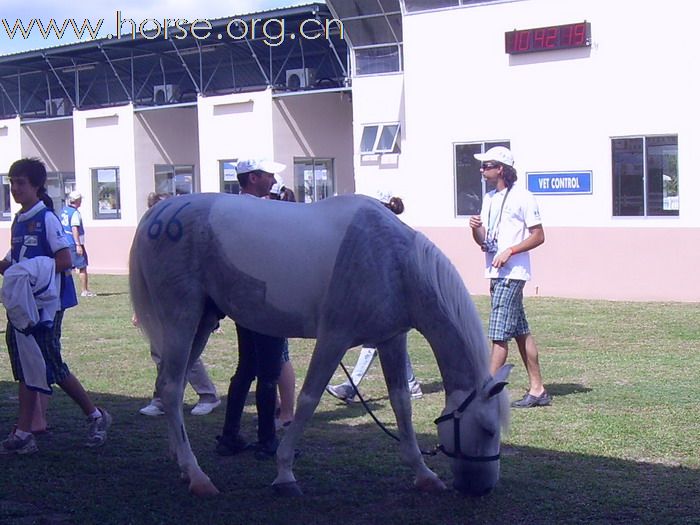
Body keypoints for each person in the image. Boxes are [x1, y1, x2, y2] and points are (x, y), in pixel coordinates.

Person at [0, 158, 111, 455]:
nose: (15, 188)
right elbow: (12, 260)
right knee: (25, 367)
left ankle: (96, 416)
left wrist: (32, 270)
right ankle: (24, 432)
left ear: (36, 185)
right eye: (12, 182)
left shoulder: (47, 218)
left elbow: (65, 260)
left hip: (44, 308)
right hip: (21, 307)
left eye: (21, 182)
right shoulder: (19, 220)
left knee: (51, 365)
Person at [215, 159, 288, 459]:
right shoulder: (261, 212)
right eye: (268, 174)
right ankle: (266, 440)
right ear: (254, 178)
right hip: (266, 300)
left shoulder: (236, 211)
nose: (273, 179)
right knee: (268, 373)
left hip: (243, 300)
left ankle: (230, 435)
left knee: (246, 369)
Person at [468, 146, 550, 408]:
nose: (482, 170)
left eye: (487, 166)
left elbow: (539, 235)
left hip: (512, 274)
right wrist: (475, 231)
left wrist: (510, 251)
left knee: (499, 334)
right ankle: (538, 390)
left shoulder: (524, 197)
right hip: (495, 272)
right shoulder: (490, 198)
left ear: (500, 168)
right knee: (520, 332)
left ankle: (484, 392)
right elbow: (484, 243)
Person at [325, 193, 423, 403]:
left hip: (389, 300)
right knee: (388, 342)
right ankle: (411, 385)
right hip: (381, 298)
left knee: (375, 341)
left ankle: (351, 387)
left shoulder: (390, 232)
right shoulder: (382, 229)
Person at [137, 192, 221, 417]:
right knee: (159, 351)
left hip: (180, 301)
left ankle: (207, 394)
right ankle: (161, 397)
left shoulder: (184, 235)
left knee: (180, 350)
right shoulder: (152, 234)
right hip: (161, 298)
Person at [268, 176, 296, 430]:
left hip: (279, 298)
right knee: (274, 356)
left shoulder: (284, 226)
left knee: (281, 356)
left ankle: (287, 412)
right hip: (273, 296)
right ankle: (279, 406)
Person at [59, 191, 95, 297]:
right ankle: (85, 290)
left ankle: (65, 290)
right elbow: (74, 228)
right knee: (82, 266)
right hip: (73, 243)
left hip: (64, 243)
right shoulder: (75, 213)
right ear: (78, 201)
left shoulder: (64, 211)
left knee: (67, 268)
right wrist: (78, 245)